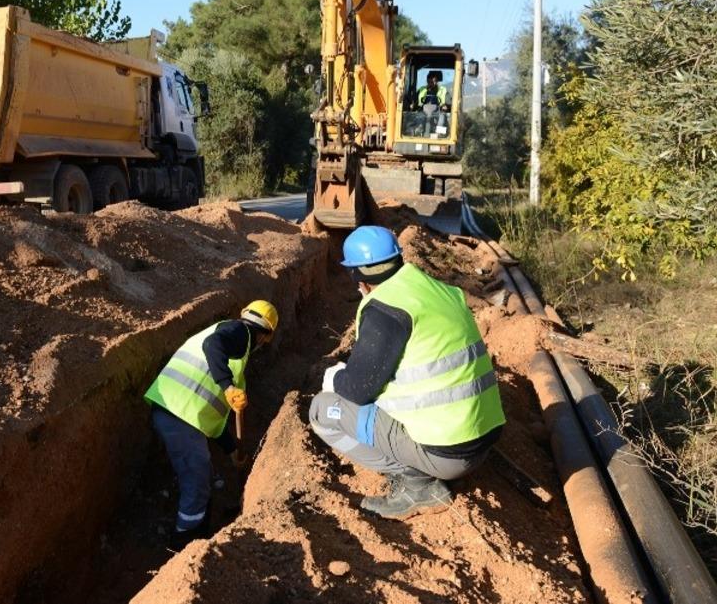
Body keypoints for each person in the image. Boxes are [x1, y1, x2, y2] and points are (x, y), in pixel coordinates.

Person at [309, 226, 504, 519]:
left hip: (447, 455)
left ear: (357, 276)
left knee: (322, 410)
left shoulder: (385, 308)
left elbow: (358, 390)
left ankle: (417, 484)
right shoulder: (439, 291)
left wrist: (334, 377)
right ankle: (423, 468)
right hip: (482, 439)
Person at [144, 300, 280, 549]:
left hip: (179, 415)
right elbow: (213, 345)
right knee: (196, 483)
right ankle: (184, 546)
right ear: (265, 336)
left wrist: (230, 451)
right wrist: (228, 386)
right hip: (178, 416)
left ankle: (201, 532)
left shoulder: (236, 343)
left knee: (202, 477)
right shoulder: (241, 332)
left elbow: (214, 418)